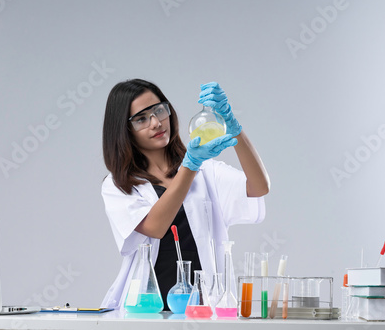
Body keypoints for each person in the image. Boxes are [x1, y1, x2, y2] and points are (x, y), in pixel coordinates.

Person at [100, 79, 270, 311]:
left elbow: (259, 186)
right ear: (124, 130)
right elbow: (156, 227)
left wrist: (234, 127)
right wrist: (190, 165)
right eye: (141, 119)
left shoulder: (206, 171)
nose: (156, 123)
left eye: (159, 110)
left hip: (203, 306)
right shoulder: (118, 185)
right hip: (147, 310)